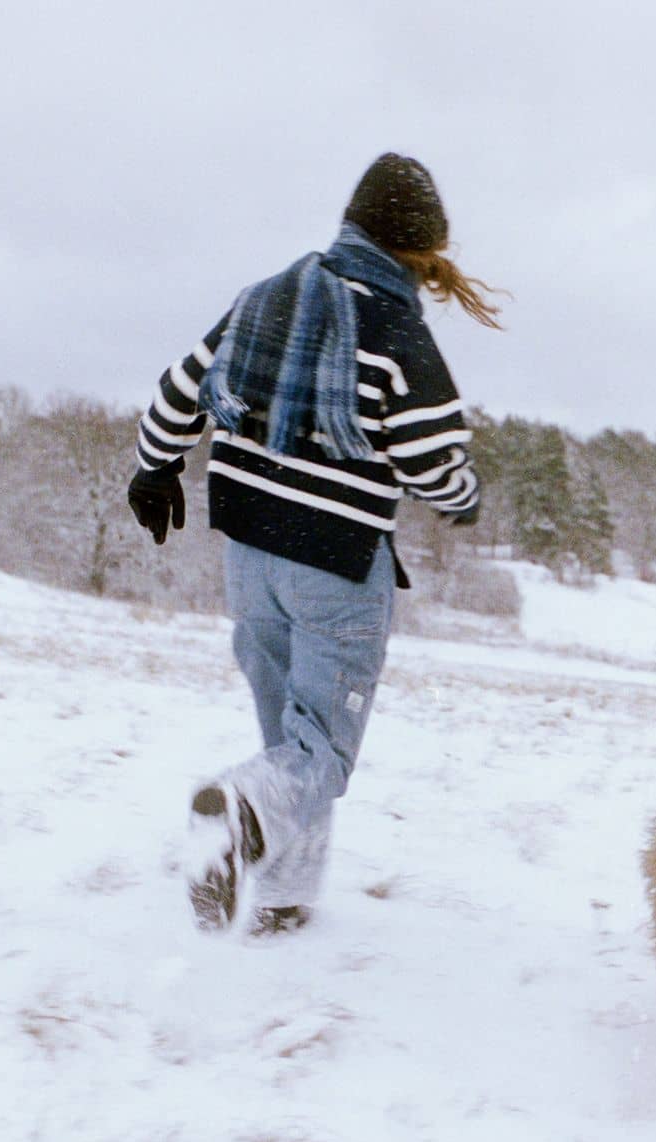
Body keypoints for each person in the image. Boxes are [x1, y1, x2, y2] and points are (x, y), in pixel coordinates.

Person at [126, 153, 503, 937]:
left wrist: (156, 465)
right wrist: (463, 497)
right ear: (420, 247)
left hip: (248, 557)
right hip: (334, 563)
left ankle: (284, 898)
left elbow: (178, 390)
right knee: (320, 750)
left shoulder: (264, 297)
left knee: (286, 741)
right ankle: (238, 812)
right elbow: (435, 464)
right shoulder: (396, 328)